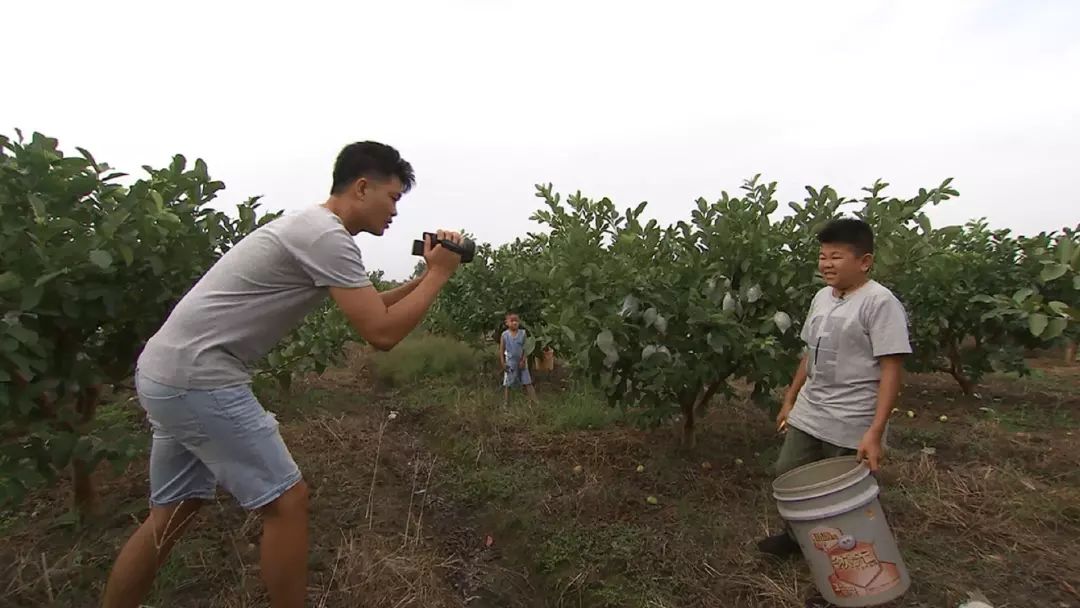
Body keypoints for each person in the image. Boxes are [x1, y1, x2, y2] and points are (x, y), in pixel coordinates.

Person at [102, 141, 466, 608]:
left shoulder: (314, 230)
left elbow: (372, 308)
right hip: (199, 376)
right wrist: (438, 276)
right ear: (361, 187)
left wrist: (428, 274)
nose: (395, 211)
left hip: (167, 371)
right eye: (393, 197)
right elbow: (381, 333)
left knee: (171, 513)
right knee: (287, 502)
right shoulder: (325, 236)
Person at [758, 217, 911, 562]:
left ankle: (849, 565)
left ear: (865, 261)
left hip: (852, 418)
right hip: (812, 410)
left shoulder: (879, 303)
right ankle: (797, 538)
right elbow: (809, 353)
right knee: (789, 473)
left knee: (842, 497)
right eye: (823, 256)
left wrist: (875, 431)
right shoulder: (822, 298)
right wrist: (790, 399)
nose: (826, 264)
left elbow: (891, 370)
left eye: (836, 256)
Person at [498, 312, 538, 406]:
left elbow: (525, 348)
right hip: (510, 361)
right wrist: (503, 363)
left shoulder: (522, 333)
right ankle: (506, 403)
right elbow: (501, 350)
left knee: (527, 381)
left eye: (516, 320)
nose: (515, 323)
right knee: (508, 383)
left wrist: (523, 360)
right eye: (512, 321)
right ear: (506, 323)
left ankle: (535, 402)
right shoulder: (505, 335)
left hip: (521, 361)